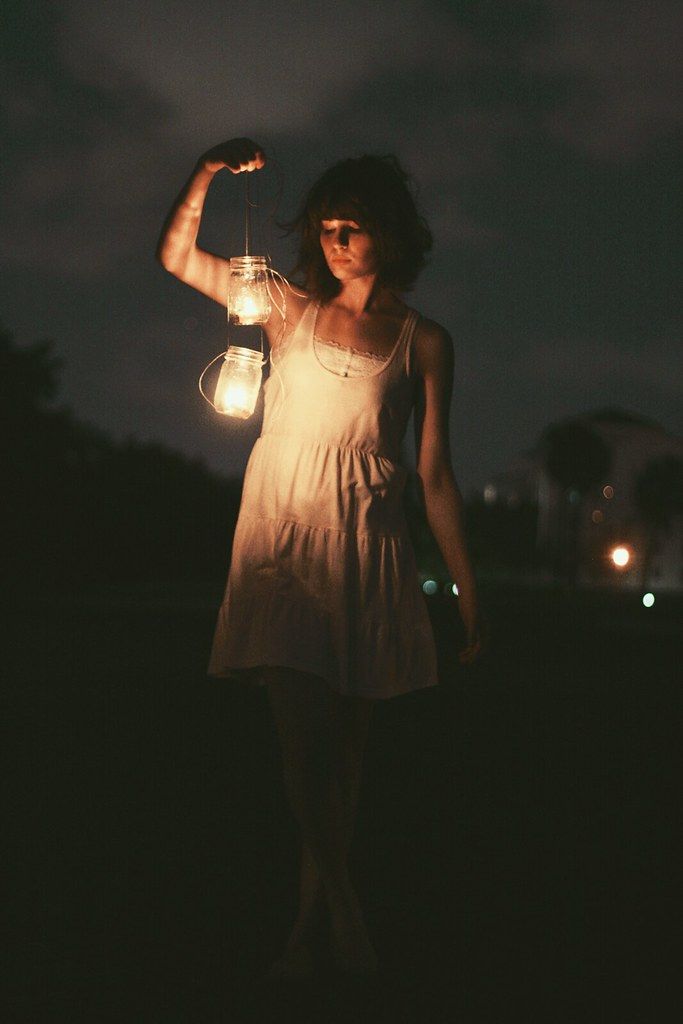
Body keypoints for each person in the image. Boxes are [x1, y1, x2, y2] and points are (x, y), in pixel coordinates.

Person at [156, 138, 483, 980]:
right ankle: (349, 922)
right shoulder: (285, 306)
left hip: (368, 543)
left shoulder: (424, 340)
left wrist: (468, 596)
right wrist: (205, 172)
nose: (337, 239)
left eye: (354, 226)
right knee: (302, 743)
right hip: (285, 536)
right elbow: (177, 257)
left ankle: (306, 936)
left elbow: (434, 474)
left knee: (342, 759)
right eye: (327, 226)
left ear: (390, 233)